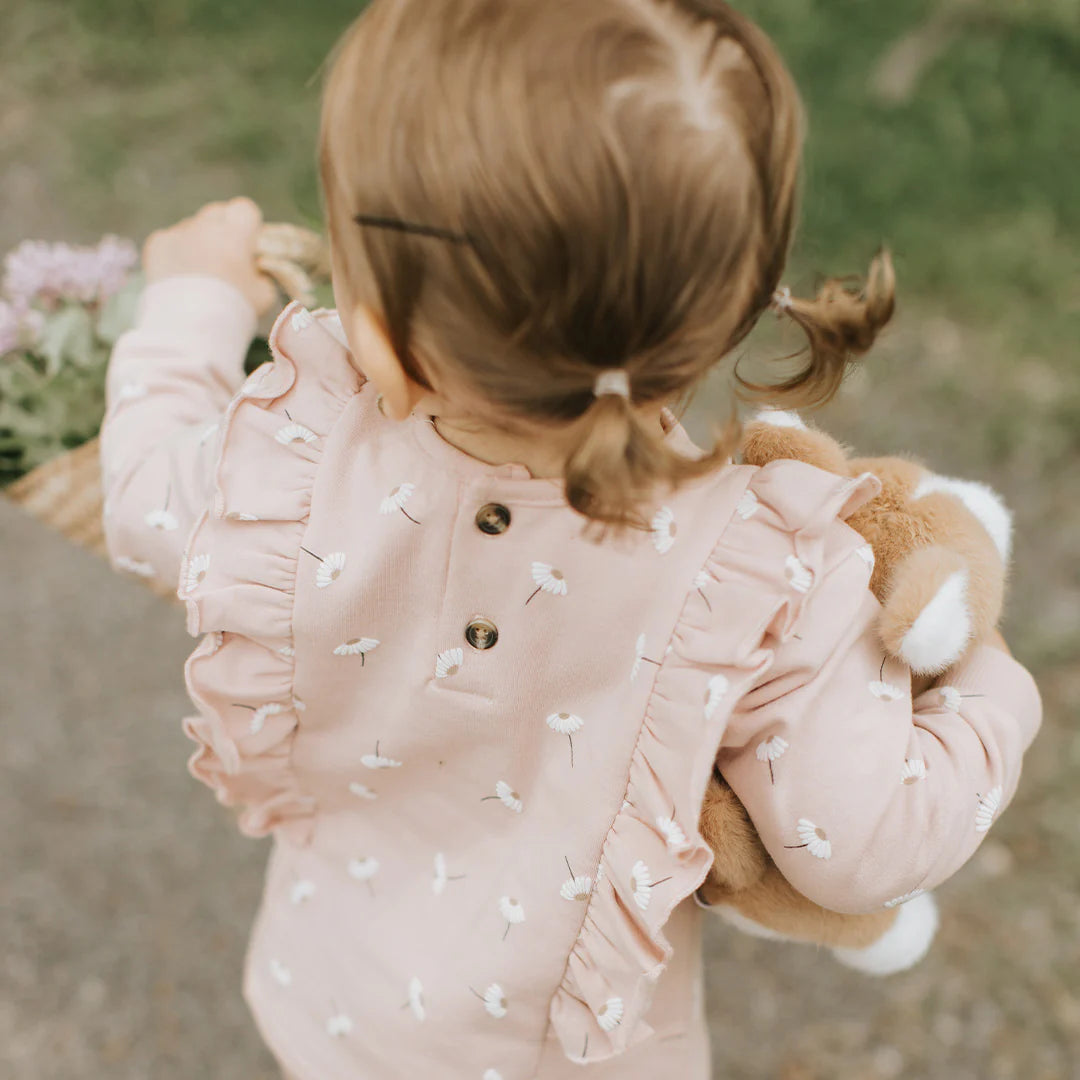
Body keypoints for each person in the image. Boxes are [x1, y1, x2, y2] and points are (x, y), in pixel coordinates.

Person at [98, 2, 1042, 1077]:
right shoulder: (757, 576)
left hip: (337, 1011)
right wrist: (993, 687)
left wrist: (190, 296)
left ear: (389, 346)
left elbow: (138, 490)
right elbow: (868, 845)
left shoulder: (292, 462)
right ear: (733, 309)